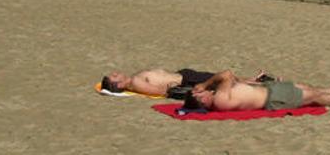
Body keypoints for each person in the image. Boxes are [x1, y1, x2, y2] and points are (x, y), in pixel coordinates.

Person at [184, 70, 330, 112]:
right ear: (202, 99)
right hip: (274, 98)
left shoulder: (219, 97)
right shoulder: (220, 100)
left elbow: (232, 79)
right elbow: (226, 74)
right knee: (315, 97)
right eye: (199, 93)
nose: (201, 91)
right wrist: (206, 84)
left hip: (268, 90)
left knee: (305, 88)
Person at [101, 68, 276, 96]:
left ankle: (254, 80)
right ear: (118, 85)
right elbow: (160, 91)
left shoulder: (134, 79)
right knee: (224, 80)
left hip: (183, 74)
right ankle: (262, 84)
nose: (116, 73)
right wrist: (177, 90)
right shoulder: (136, 84)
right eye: (113, 77)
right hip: (185, 80)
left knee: (218, 75)